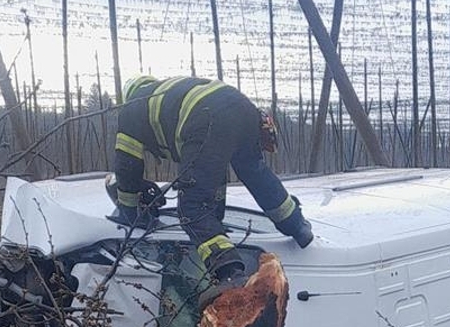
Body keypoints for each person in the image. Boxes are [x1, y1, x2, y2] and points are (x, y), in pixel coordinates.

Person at [109, 75, 313, 282]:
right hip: (243, 108)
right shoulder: (167, 90)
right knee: (255, 172)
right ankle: (296, 225)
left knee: (193, 208)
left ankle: (230, 273)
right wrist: (215, 215)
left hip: (207, 117)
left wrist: (128, 209)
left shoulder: (131, 109)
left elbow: (127, 166)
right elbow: (212, 171)